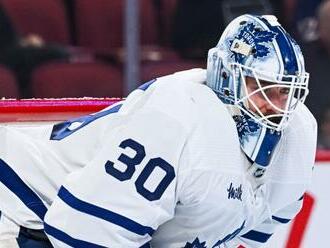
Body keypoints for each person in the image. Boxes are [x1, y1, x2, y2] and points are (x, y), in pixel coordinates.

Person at [0, 14, 317, 248]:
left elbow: (241, 236)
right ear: (227, 76)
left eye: (286, 92)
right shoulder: (179, 118)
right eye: (262, 88)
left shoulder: (297, 137)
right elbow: (82, 232)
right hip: (21, 208)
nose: (278, 106)